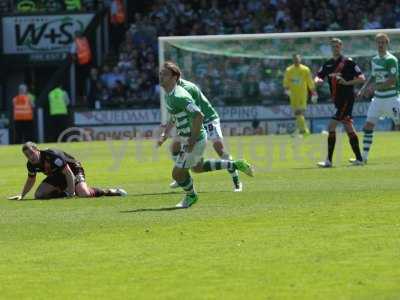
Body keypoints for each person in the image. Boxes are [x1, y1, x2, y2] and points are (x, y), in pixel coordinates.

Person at [158, 61, 254, 208]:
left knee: (219, 150)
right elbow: (176, 114)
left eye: (164, 74)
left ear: (175, 77)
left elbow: (197, 114)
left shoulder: (184, 91)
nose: (161, 77)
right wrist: (167, 132)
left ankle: (234, 181)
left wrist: (191, 138)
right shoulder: (169, 93)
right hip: (193, 130)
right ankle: (186, 174)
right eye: (160, 74)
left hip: (206, 120)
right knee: (195, 166)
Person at [8, 142, 127, 200]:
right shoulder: (31, 165)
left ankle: (109, 191)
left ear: (37, 150)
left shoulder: (51, 156)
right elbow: (30, 180)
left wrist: (72, 193)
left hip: (73, 170)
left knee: (83, 194)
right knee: (39, 195)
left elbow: (68, 173)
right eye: (27, 155)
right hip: (58, 174)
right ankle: (65, 193)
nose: (30, 157)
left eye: (31, 153)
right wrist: (22, 195)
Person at [314, 38, 366, 168]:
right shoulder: (328, 64)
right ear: (330, 48)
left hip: (347, 100)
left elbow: (361, 78)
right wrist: (317, 81)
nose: (335, 48)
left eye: (337, 46)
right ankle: (359, 159)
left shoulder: (348, 62)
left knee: (331, 126)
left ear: (341, 47)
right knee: (348, 126)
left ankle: (329, 161)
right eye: (333, 47)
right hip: (337, 101)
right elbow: (318, 75)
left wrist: (347, 82)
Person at [351, 33, 400, 163]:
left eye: (383, 42)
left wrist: (374, 88)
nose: (381, 44)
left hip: (392, 98)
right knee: (368, 126)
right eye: (378, 42)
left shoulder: (391, 60)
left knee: (398, 126)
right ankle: (363, 158)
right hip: (378, 100)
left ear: (387, 44)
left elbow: (392, 80)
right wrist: (363, 88)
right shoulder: (374, 59)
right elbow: (373, 76)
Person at [283, 54, 318, 136]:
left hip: (302, 94)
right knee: (297, 113)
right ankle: (301, 130)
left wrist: (313, 91)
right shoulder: (289, 70)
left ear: (300, 59)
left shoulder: (305, 69)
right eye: (295, 59)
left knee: (299, 112)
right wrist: (286, 89)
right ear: (293, 60)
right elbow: (286, 81)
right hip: (293, 94)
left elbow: (309, 81)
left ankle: (304, 130)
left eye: (298, 59)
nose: (296, 60)